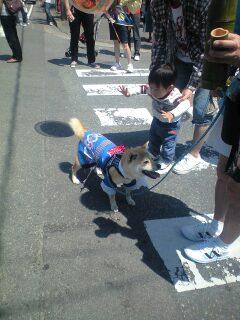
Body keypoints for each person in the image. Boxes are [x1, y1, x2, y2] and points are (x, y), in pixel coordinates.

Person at [182, 33, 240, 263]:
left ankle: (225, 243)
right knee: (223, 171)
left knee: (237, 186)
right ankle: (217, 225)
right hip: (236, 93)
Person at [151, 0, 217, 175]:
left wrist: (192, 85)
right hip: (178, 58)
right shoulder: (157, 4)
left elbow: (207, 49)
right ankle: (167, 153)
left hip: (205, 61)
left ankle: (195, 154)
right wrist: (154, 77)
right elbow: (159, 41)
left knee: (201, 108)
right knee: (171, 104)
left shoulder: (201, 3)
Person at [119, 64, 191, 173]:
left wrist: (172, 114)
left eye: (156, 89)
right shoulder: (153, 88)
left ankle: (167, 161)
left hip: (171, 125)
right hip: (157, 120)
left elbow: (185, 104)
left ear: (170, 88)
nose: (152, 91)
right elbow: (142, 88)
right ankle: (154, 155)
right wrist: (129, 92)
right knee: (153, 138)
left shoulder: (175, 96)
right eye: (151, 87)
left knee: (168, 144)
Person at [64, 0, 100, 68]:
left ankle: (91, 61)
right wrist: (68, 10)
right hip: (75, 10)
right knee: (74, 35)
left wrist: (95, 10)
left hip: (88, 10)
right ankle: (74, 59)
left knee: (90, 36)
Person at [108, 1, 133, 73]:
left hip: (123, 21)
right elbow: (104, 8)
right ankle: (117, 63)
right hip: (112, 19)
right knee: (116, 43)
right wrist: (108, 16)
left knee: (125, 44)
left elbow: (129, 7)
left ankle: (129, 64)